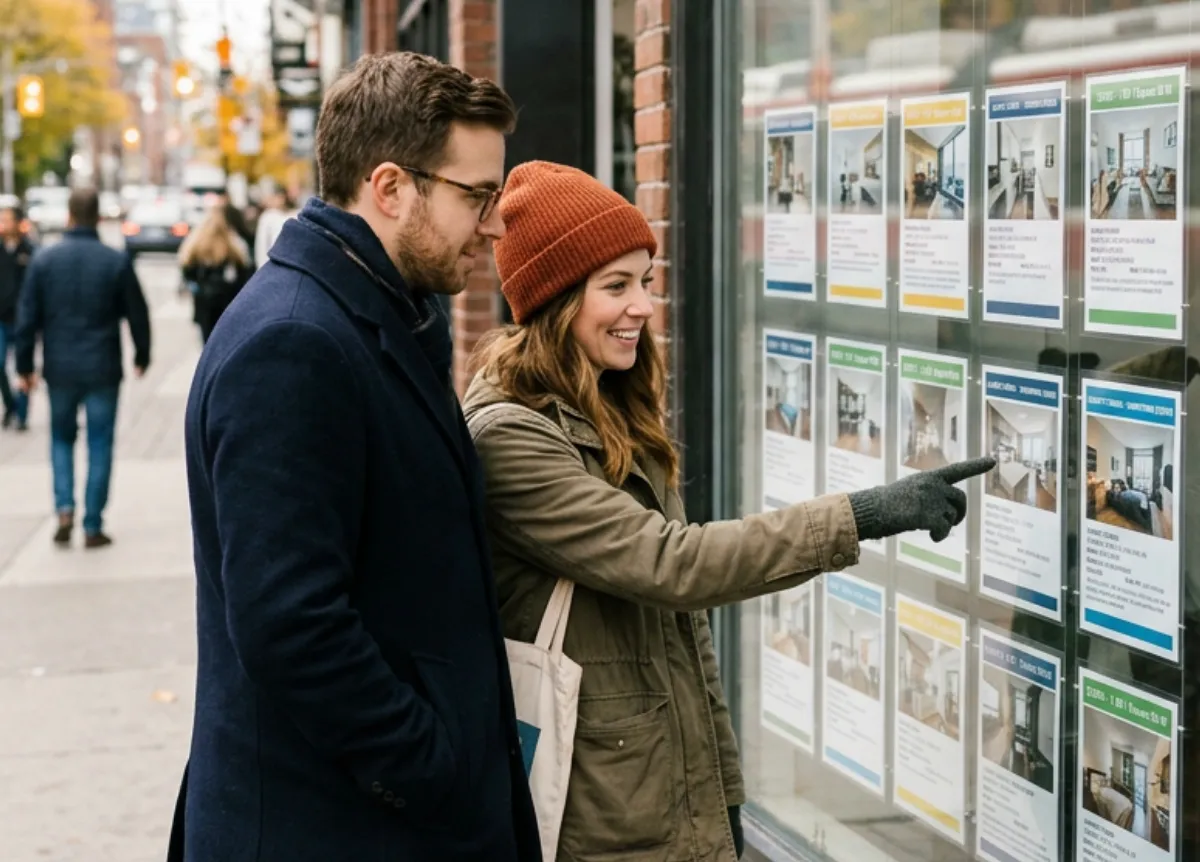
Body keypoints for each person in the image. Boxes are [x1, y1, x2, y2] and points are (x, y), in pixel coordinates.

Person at [463, 161, 995, 862]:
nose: (642, 307)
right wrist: (861, 514)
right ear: (553, 302)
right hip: (599, 811)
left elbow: (684, 635)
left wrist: (726, 790)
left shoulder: (613, 409)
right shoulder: (511, 436)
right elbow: (672, 564)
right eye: (615, 287)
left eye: (644, 282)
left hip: (667, 792)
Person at [169, 52, 540, 862]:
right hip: (336, 827)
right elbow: (290, 624)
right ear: (390, 187)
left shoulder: (378, 311)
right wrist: (429, 768)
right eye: (477, 196)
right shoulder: (295, 342)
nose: (496, 224)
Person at [14, 187, 150, 548]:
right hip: (103, 367)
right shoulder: (114, 261)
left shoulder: (44, 261)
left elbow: (27, 319)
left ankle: (63, 507)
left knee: (61, 439)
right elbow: (137, 312)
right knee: (100, 442)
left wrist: (25, 366)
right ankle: (92, 523)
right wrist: (142, 354)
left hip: (59, 369)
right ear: (98, 217)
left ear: (69, 216)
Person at [178, 206, 253, 343]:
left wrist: (197, 287)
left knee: (207, 342)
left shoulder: (195, 245)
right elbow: (244, 273)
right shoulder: (232, 246)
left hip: (204, 304)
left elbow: (186, 269)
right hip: (226, 304)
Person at [0, 204, 34, 430]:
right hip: (1, 318)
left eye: (6, 219)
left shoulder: (29, 250)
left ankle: (22, 413)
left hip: (23, 320)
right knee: (0, 363)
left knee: (24, 367)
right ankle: (10, 404)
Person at [253, 187, 296, 269]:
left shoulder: (294, 214)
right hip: (271, 264)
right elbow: (261, 245)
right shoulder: (267, 217)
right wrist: (261, 268)